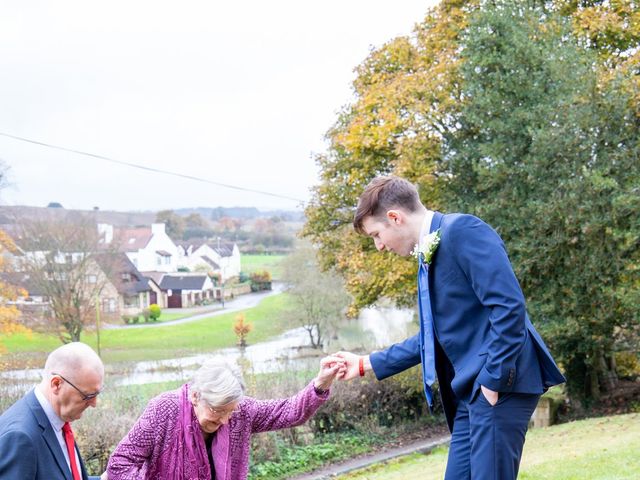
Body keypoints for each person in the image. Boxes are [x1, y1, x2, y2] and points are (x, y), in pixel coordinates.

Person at [336, 176, 565, 480]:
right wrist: (366, 363)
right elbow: (435, 335)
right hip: (470, 394)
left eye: (377, 235)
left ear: (395, 218)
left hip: (499, 386)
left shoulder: (463, 231)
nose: (379, 246)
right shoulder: (430, 252)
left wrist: (493, 381)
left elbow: (508, 306)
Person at [106, 355, 345, 480]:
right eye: (218, 410)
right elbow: (120, 463)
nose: (224, 420)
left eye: (229, 411)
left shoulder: (240, 412)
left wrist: (321, 383)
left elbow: (288, 411)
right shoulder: (163, 410)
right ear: (196, 396)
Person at [0, 342, 105, 480]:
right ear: (56, 384)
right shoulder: (20, 437)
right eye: (88, 396)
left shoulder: (56, 421)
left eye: (97, 394)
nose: (94, 403)